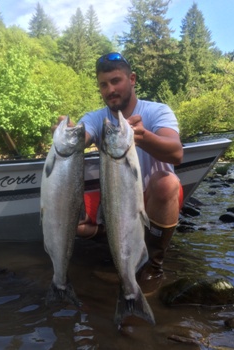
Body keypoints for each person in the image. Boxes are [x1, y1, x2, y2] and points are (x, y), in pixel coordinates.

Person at [55, 52, 183, 282]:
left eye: (116, 81)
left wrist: (145, 137)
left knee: (167, 182)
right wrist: (70, 135)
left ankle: (152, 268)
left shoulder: (157, 111)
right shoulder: (97, 118)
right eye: (103, 84)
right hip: (115, 203)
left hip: (151, 198)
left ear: (132, 79)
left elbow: (176, 153)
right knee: (75, 223)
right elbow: (83, 137)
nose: (110, 89)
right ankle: (111, 238)